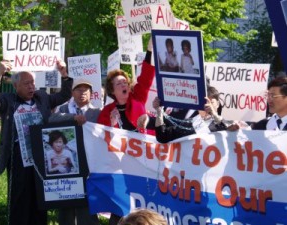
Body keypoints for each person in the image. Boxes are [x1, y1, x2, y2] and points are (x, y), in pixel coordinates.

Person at [0, 60, 73, 225]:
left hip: (42, 157)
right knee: (20, 198)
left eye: (33, 82)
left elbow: (64, 95)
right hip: (18, 157)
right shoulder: (8, 100)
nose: (31, 86)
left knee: (40, 198)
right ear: (16, 86)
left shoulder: (42, 98)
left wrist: (64, 74)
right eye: (27, 83)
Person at [97, 38, 155, 225]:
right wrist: (112, 125)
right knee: (122, 204)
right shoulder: (107, 112)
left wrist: (150, 52)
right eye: (119, 83)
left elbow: (146, 76)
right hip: (121, 167)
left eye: (125, 82)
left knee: (145, 202)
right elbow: (102, 141)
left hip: (145, 161)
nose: (124, 85)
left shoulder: (138, 97)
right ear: (113, 91)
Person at [49, 77, 100, 225]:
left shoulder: (97, 112)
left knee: (87, 202)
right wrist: (73, 118)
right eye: (78, 89)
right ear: (72, 92)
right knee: (66, 203)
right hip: (67, 165)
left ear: (91, 94)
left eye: (86, 90)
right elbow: (51, 119)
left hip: (89, 164)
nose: (82, 93)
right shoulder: (63, 110)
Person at [153, 86, 238, 143]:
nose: (207, 106)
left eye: (211, 102)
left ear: (218, 104)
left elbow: (231, 128)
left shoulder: (225, 123)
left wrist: (214, 114)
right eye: (204, 103)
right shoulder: (192, 123)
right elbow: (162, 136)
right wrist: (159, 111)